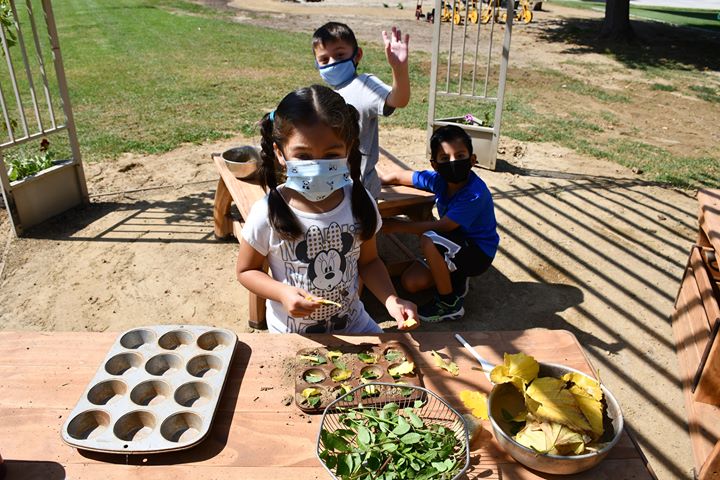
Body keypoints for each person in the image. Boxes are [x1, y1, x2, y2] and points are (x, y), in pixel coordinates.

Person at [236, 85, 419, 334]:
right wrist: (282, 292)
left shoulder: (359, 201)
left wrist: (391, 299)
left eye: (331, 154)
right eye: (303, 156)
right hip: (294, 338)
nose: (318, 166)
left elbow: (370, 261)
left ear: (349, 148)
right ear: (280, 153)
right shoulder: (268, 213)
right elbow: (247, 270)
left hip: (355, 326)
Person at [379, 125, 499, 323]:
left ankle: (449, 303)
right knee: (411, 283)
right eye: (444, 158)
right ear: (435, 164)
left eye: (460, 155)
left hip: (477, 253)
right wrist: (381, 180)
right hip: (455, 243)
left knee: (430, 240)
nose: (453, 162)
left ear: (473, 159)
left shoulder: (474, 193)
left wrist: (396, 225)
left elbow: (444, 227)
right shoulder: (438, 180)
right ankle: (456, 277)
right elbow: (405, 177)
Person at [311, 22, 410, 198]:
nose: (332, 63)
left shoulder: (364, 85)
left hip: (360, 189)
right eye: (324, 60)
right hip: (331, 186)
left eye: (340, 55)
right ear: (316, 64)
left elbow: (399, 100)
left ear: (357, 55)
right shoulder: (325, 94)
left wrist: (399, 69)